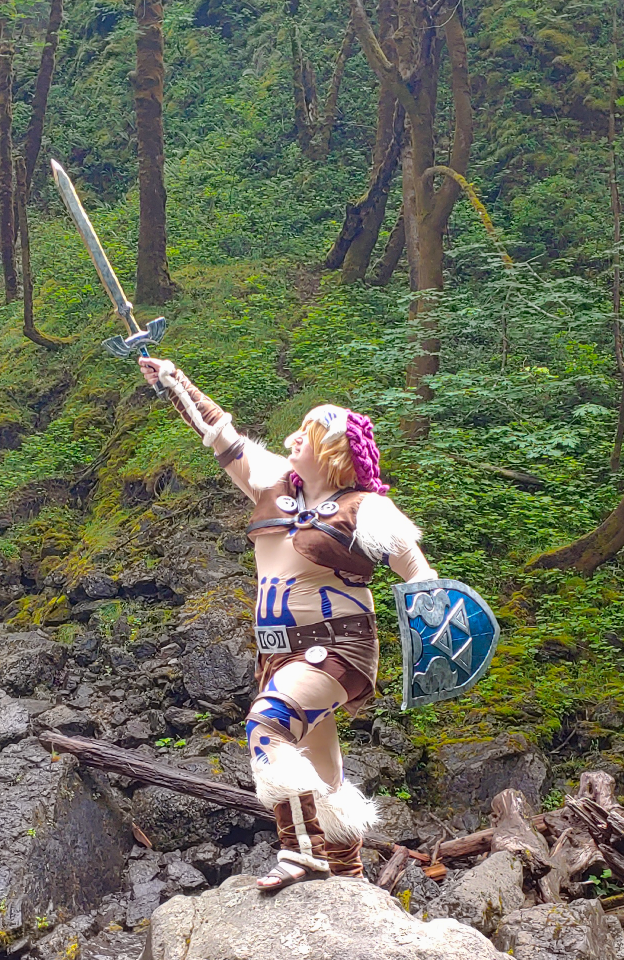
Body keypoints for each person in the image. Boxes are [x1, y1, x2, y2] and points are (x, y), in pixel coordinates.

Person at [138, 355, 437, 891]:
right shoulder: (274, 483)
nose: (294, 437)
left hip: (338, 648)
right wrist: (173, 380)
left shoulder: (365, 510)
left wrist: (433, 629)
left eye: (308, 431)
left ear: (335, 451)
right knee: (323, 771)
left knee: (268, 727)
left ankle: (301, 853)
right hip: (277, 653)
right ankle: (349, 874)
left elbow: (419, 574)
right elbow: (219, 433)